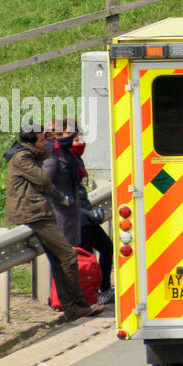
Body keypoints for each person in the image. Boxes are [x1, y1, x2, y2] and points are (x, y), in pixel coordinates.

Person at [2, 125, 99, 322]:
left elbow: (45, 183)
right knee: (69, 256)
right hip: (34, 214)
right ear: (31, 143)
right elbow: (43, 178)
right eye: (43, 140)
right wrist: (47, 156)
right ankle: (79, 304)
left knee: (58, 259)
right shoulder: (22, 158)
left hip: (40, 211)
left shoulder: (30, 155)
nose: (47, 143)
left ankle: (73, 307)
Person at [44, 121, 113, 304]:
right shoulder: (54, 158)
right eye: (75, 136)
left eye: (80, 136)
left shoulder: (74, 157)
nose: (80, 140)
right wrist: (83, 211)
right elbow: (50, 189)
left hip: (83, 217)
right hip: (72, 219)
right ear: (59, 136)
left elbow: (77, 190)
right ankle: (85, 298)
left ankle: (102, 290)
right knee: (84, 260)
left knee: (106, 248)